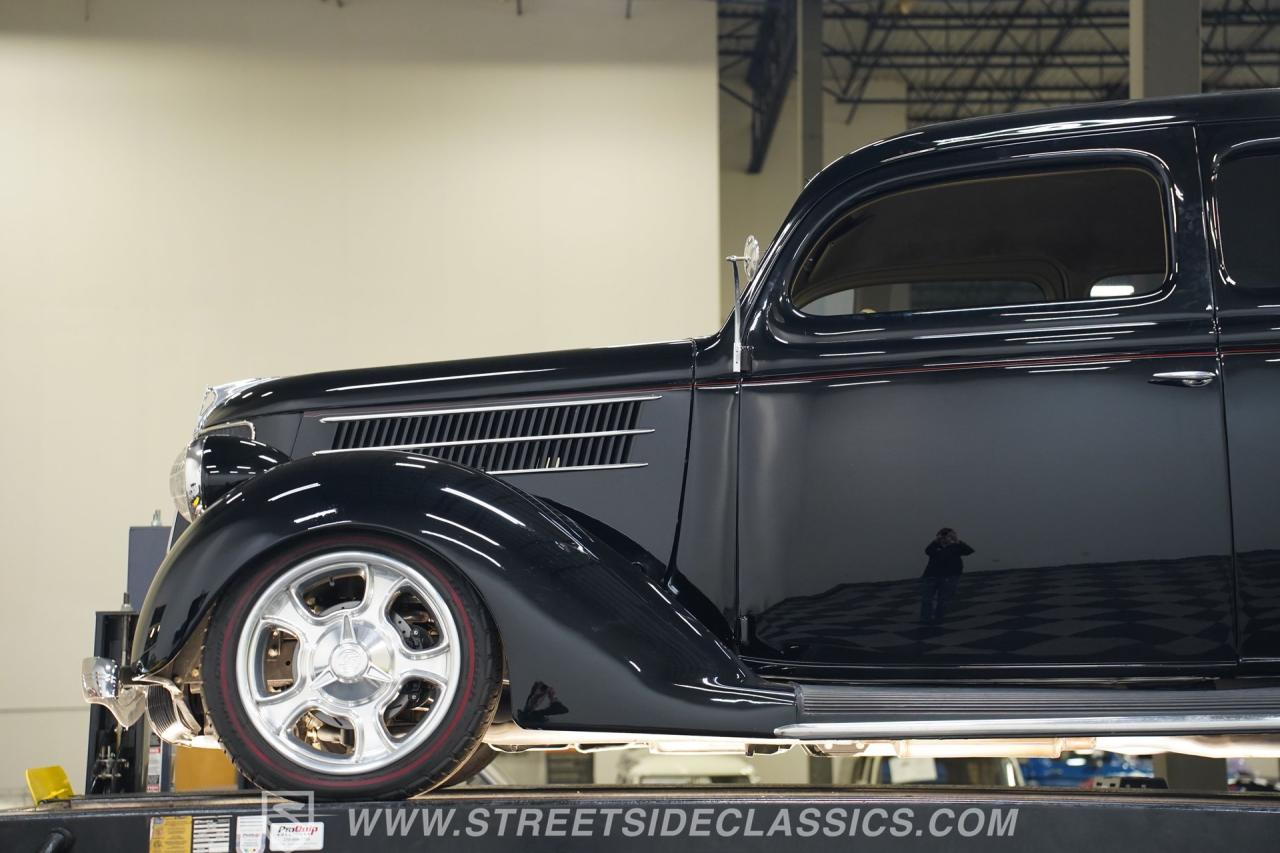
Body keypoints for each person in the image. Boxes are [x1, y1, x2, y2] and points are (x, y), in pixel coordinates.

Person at [920, 527, 974, 623]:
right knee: (926, 599)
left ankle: (939, 618)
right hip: (931, 576)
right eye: (943, 535)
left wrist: (956, 540)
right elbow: (928, 551)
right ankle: (925, 619)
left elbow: (969, 551)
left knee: (944, 600)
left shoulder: (956, 546)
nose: (945, 538)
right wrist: (936, 540)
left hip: (950, 576)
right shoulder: (935, 546)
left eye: (948, 536)